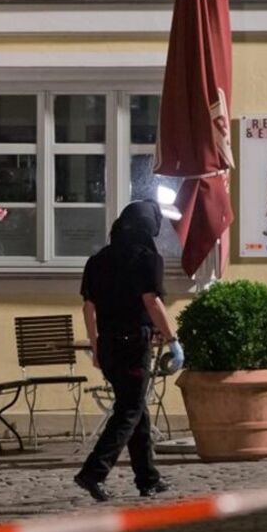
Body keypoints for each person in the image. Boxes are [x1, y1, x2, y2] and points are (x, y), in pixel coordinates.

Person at [74, 200, 182, 502]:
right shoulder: (147, 258)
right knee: (129, 410)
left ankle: (148, 479)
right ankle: (93, 471)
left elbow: (88, 307)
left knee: (136, 409)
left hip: (108, 344)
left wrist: (95, 345)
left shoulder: (97, 260)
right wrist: (172, 340)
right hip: (134, 344)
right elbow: (152, 301)